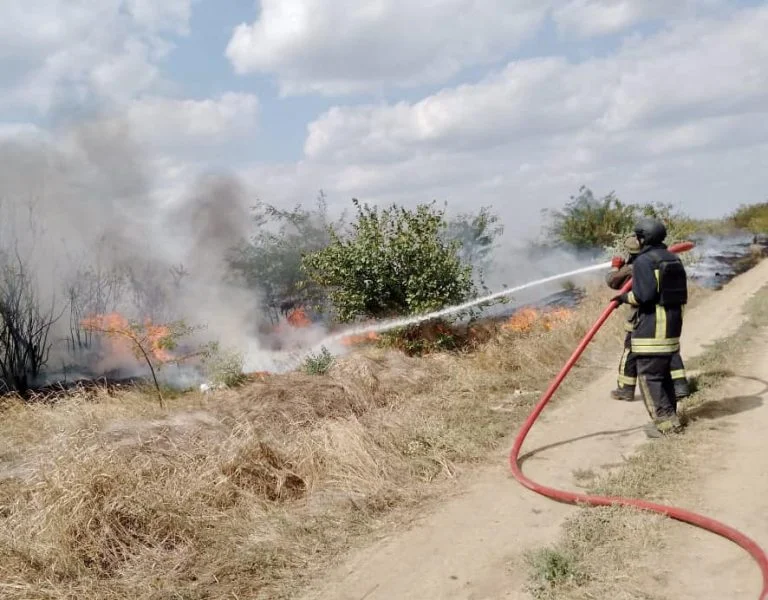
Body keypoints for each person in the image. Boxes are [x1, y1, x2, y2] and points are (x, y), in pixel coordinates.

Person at [613, 217, 688, 437]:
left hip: (650, 330)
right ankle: (671, 420)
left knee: (650, 379)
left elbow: (643, 296)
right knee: (664, 377)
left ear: (644, 238)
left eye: (638, 236)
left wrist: (623, 298)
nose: (636, 239)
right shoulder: (672, 258)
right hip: (671, 328)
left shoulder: (645, 261)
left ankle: (664, 427)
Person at [607, 235, 690, 402]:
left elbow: (613, 282)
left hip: (644, 318)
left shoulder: (638, 266)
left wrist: (616, 267)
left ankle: (625, 389)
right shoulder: (667, 261)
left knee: (630, 350)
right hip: (671, 315)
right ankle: (680, 386)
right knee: (671, 350)